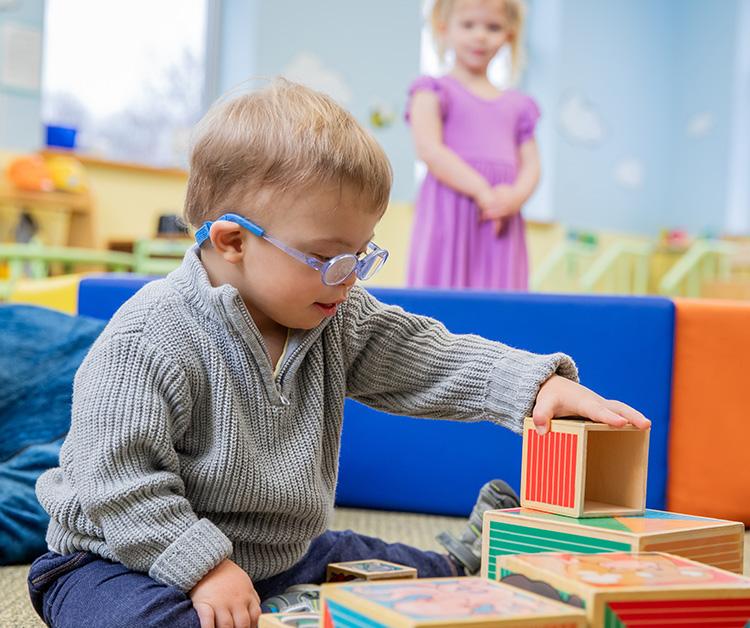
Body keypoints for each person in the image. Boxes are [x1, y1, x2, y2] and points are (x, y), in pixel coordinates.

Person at [28, 79, 649, 628]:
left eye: (362, 254)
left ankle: (459, 559)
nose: (348, 277)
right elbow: (118, 484)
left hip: (280, 555)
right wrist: (205, 567)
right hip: (117, 557)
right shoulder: (150, 338)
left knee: (380, 570)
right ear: (233, 240)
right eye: (328, 258)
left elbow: (424, 356)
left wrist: (532, 386)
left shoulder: (334, 316)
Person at [407, 0, 539, 290]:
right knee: (442, 301)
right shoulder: (432, 90)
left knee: (500, 303)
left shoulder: (519, 105)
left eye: (493, 27)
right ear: (444, 29)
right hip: (449, 212)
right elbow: (429, 150)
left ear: (509, 35)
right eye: (468, 25)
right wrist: (481, 191)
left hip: (499, 218)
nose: (480, 35)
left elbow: (532, 165)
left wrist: (514, 197)